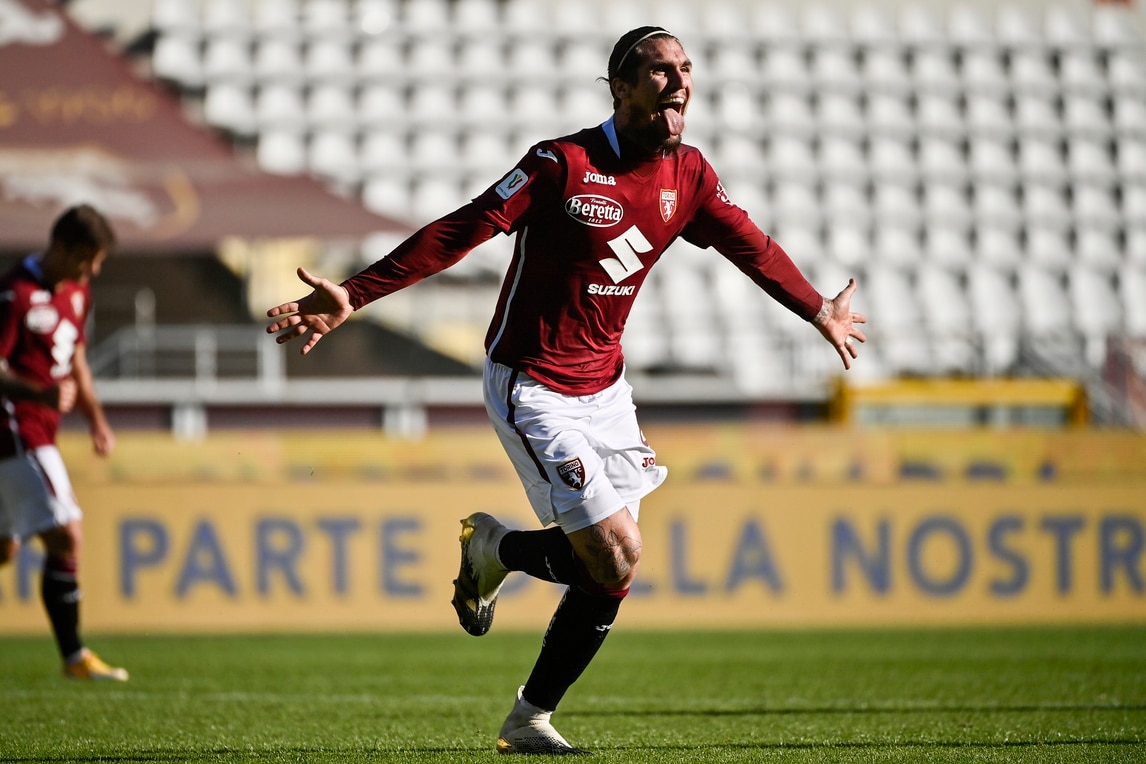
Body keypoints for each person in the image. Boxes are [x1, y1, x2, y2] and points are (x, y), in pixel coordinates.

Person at [267, 27, 865, 754]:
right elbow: (463, 228)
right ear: (620, 87)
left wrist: (818, 310)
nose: (679, 82)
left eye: (686, 69)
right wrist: (357, 293)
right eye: (660, 70)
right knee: (616, 550)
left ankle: (521, 679)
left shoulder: (690, 176)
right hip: (532, 383)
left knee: (613, 565)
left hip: (606, 389)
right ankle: (515, 635)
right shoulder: (561, 164)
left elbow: (752, 246)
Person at [0, 204, 127, 682]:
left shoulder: (77, 292)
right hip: (15, 427)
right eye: (87, 259)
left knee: (4, 551)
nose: (92, 270)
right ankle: (74, 658)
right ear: (62, 248)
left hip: (38, 429)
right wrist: (40, 394)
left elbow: (77, 360)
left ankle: (74, 659)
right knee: (67, 534)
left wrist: (97, 420)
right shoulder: (14, 294)